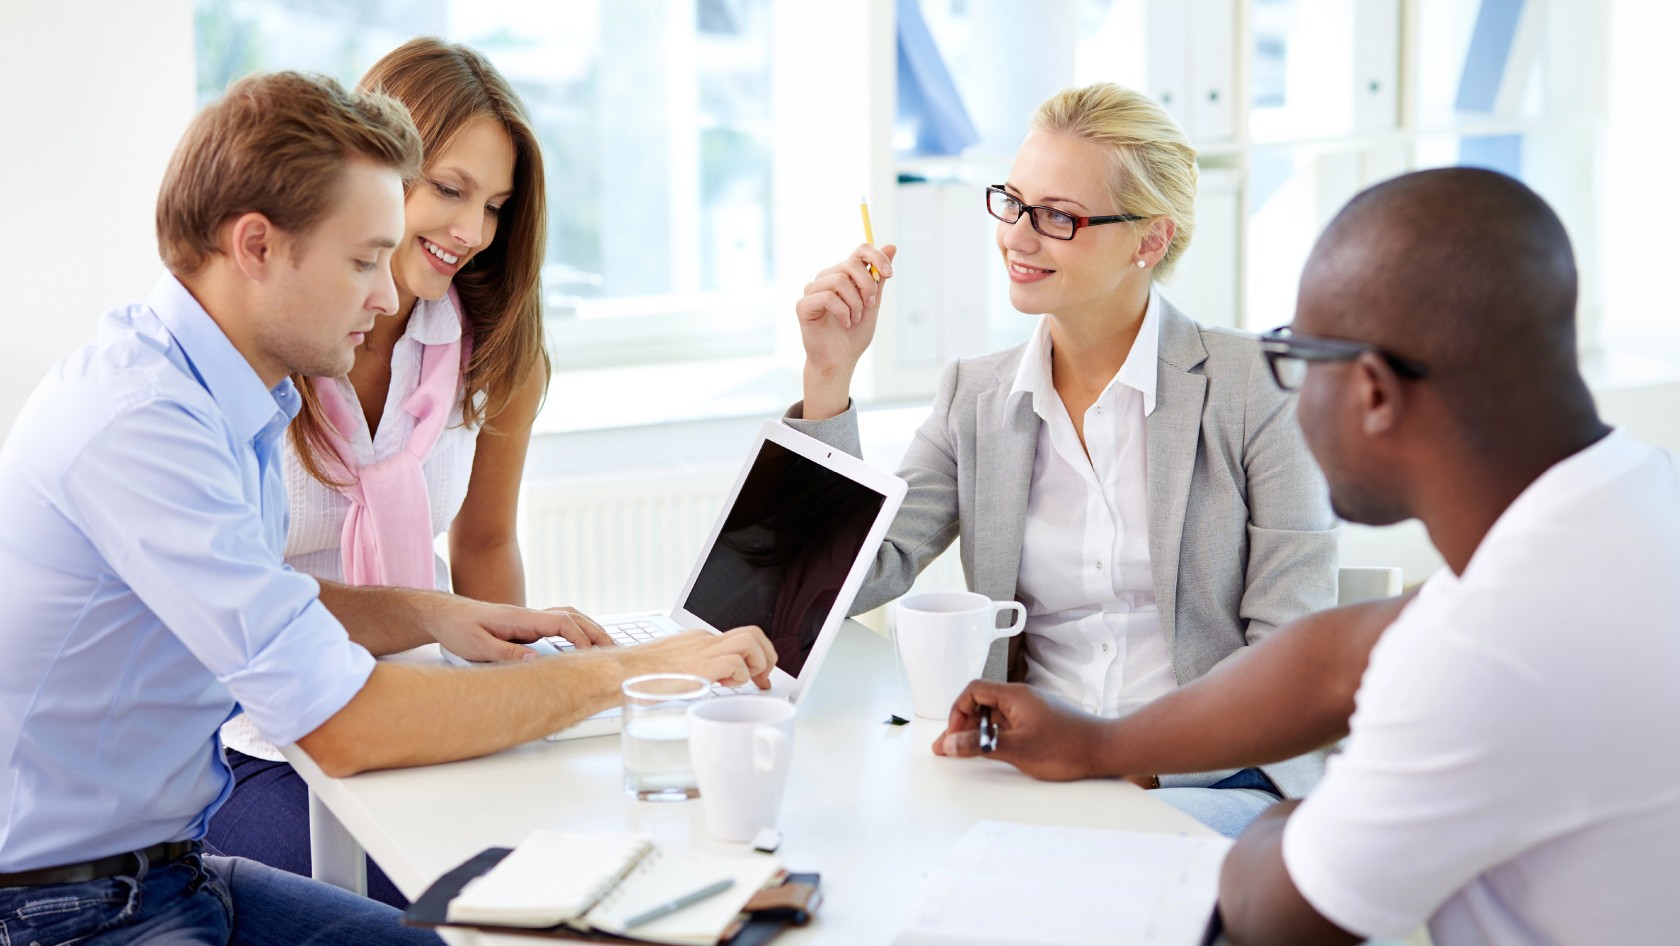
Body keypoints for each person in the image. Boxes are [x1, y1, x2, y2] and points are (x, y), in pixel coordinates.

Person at [0, 71, 775, 946]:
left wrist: (434, 611)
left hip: (166, 871)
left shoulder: (218, 398)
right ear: (256, 245)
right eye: (364, 260)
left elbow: (267, 601)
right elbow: (344, 726)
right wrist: (630, 673)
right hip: (59, 914)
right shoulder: (143, 427)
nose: (384, 294)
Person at [935, 167, 1680, 945]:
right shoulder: (1631, 498)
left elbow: (1273, 918)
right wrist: (1099, 742)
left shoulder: (1479, 657)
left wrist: (1294, 818)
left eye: (1298, 356)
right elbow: (1341, 654)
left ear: (1372, 391)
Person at [785, 82, 1336, 837]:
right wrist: (828, 379)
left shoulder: (1255, 391)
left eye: (1058, 217)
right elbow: (836, 585)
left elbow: (1291, 656)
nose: (1017, 236)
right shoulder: (974, 396)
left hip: (1216, 780)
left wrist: (1118, 762)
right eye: (1012, 203)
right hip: (1031, 783)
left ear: (1150, 240)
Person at [210, 37, 561, 909]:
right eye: (448, 190)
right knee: (412, 894)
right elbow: (237, 611)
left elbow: (485, 542)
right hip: (249, 733)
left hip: (410, 691)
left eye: (495, 206)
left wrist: (515, 705)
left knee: (541, 872)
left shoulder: (492, 346)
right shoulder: (270, 336)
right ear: (371, 169)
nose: (472, 234)